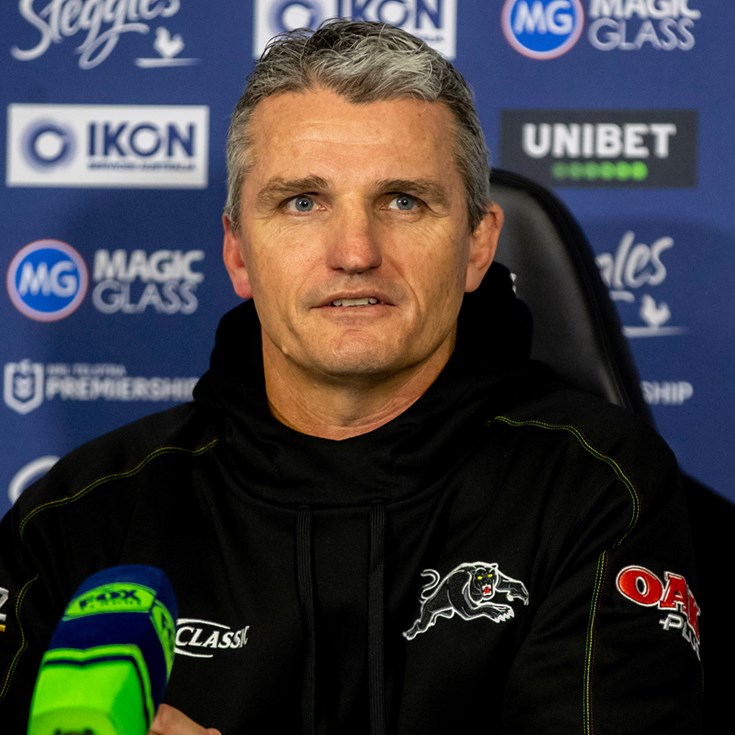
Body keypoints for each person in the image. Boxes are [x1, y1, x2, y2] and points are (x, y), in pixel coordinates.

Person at [0, 19, 703, 735]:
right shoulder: (79, 516)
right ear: (238, 252)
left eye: (403, 200)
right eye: (302, 202)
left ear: (476, 246)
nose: (356, 252)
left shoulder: (595, 490)